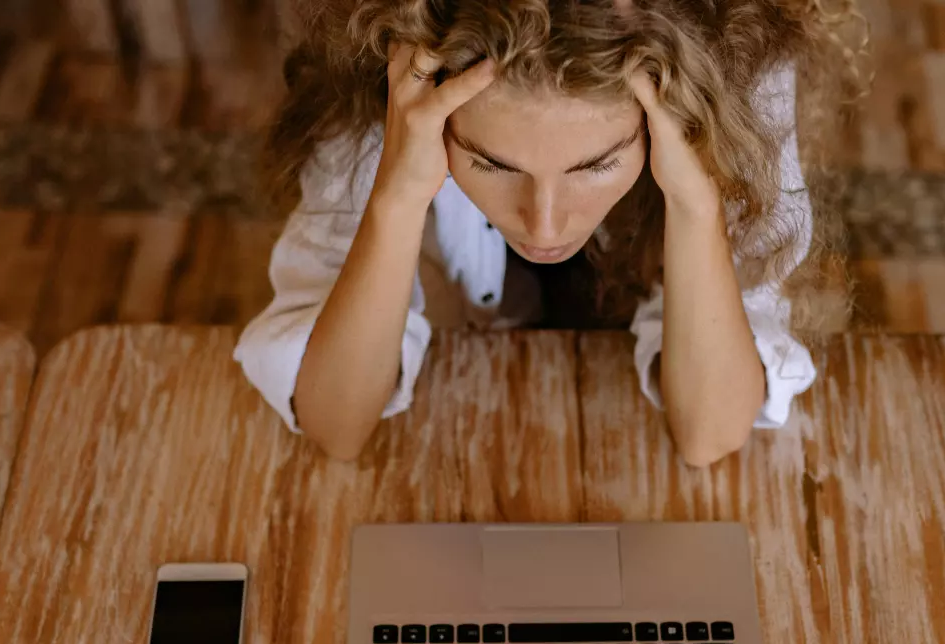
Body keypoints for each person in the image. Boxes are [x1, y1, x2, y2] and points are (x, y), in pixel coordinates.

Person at [236, 0, 866, 464]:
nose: (544, 224)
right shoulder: (391, 77)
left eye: (595, 164)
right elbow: (336, 426)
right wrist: (396, 195)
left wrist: (696, 206)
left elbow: (710, 433)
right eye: (491, 163)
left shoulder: (737, 78)